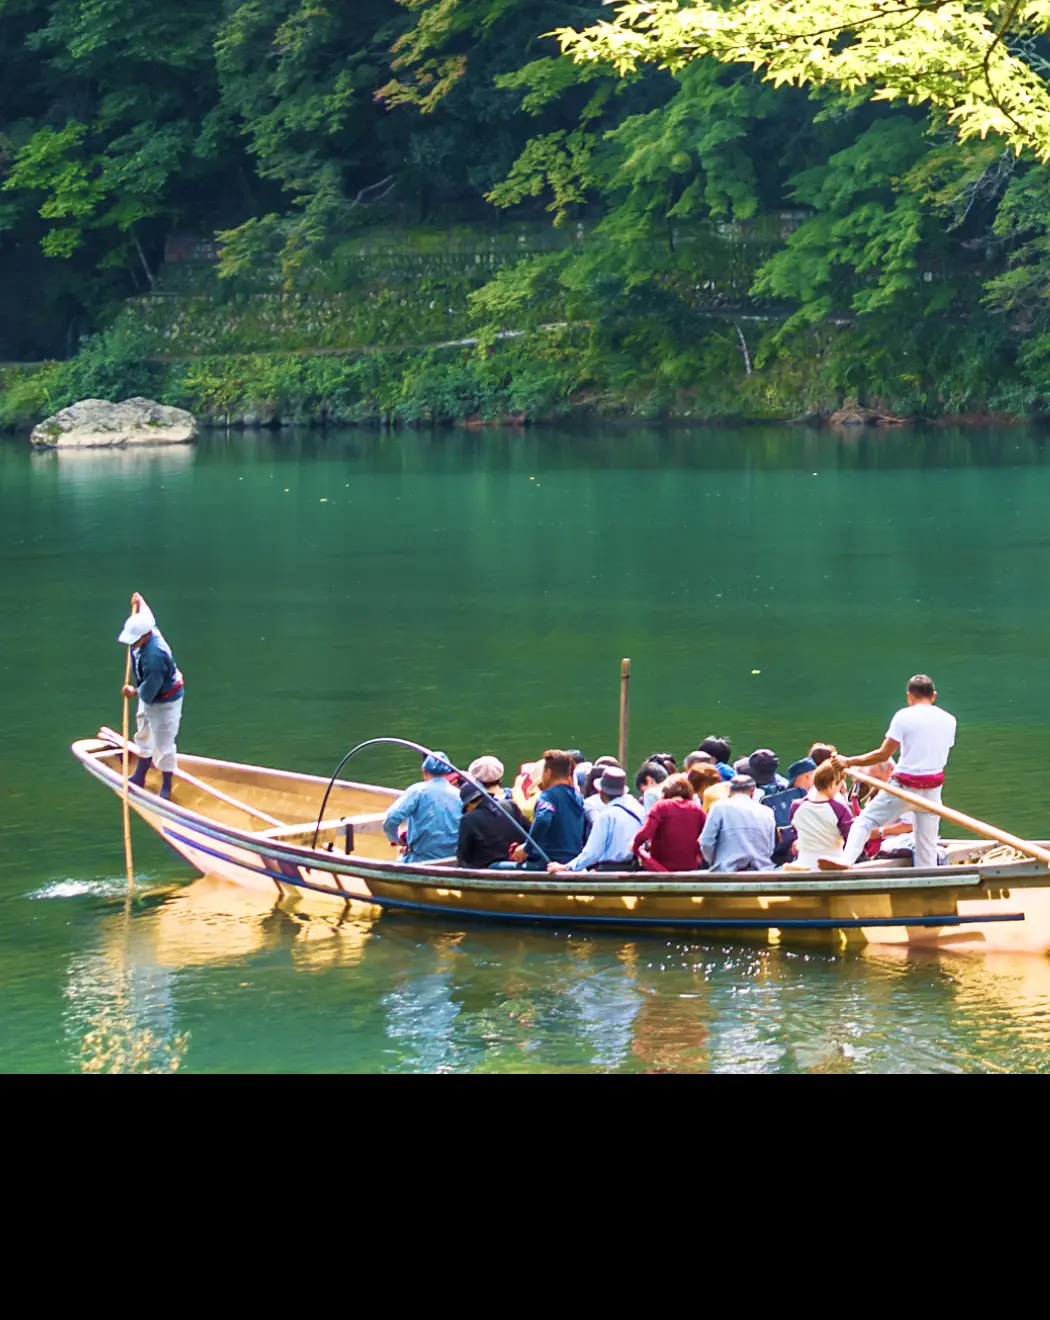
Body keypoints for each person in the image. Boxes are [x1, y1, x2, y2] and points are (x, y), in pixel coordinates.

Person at [822, 674, 956, 871]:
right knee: (926, 847)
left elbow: (883, 754)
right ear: (933, 696)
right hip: (932, 791)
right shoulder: (950, 720)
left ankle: (846, 860)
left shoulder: (903, 716)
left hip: (903, 787)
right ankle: (927, 880)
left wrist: (848, 761)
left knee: (864, 821)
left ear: (909, 696)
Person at [118, 592, 184, 800]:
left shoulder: (155, 656)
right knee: (144, 731)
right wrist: (140, 601)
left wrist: (134, 692)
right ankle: (140, 774)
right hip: (149, 694)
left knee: (164, 742)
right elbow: (147, 615)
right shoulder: (146, 631)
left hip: (165, 700)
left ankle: (166, 786)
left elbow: (151, 686)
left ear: (145, 637)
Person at [495, 749, 586, 870]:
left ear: (547, 773)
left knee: (494, 866)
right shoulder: (578, 797)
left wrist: (527, 848)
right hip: (571, 862)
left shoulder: (548, 795)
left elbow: (543, 819)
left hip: (546, 863)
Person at [548, 767, 644, 872]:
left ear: (601, 792)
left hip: (609, 873)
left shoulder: (606, 816)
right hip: (635, 870)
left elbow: (592, 853)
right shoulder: (640, 810)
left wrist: (566, 867)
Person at [382, 751, 462, 863]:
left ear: (424, 772)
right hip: (452, 860)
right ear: (448, 772)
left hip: (420, 860)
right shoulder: (459, 795)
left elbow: (391, 818)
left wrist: (396, 839)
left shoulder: (417, 791)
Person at [699, 775, 775, 872]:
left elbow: (706, 841)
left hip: (726, 873)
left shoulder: (718, 807)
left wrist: (715, 861)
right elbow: (770, 848)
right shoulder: (767, 811)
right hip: (761, 873)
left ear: (729, 792)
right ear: (752, 792)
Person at [632, 774, 706, 872]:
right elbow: (708, 836)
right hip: (689, 868)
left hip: (661, 869)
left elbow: (644, 834)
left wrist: (635, 846)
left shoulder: (660, 806)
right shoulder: (697, 809)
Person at [788, 761, 855, 869]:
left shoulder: (796, 806)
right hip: (833, 863)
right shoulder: (839, 809)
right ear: (833, 784)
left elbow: (796, 836)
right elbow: (852, 838)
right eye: (840, 785)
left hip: (804, 864)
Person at [456, 781, 527, 869]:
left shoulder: (468, 819)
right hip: (518, 865)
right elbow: (529, 833)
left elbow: (464, 856)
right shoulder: (510, 805)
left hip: (487, 872)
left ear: (469, 804)